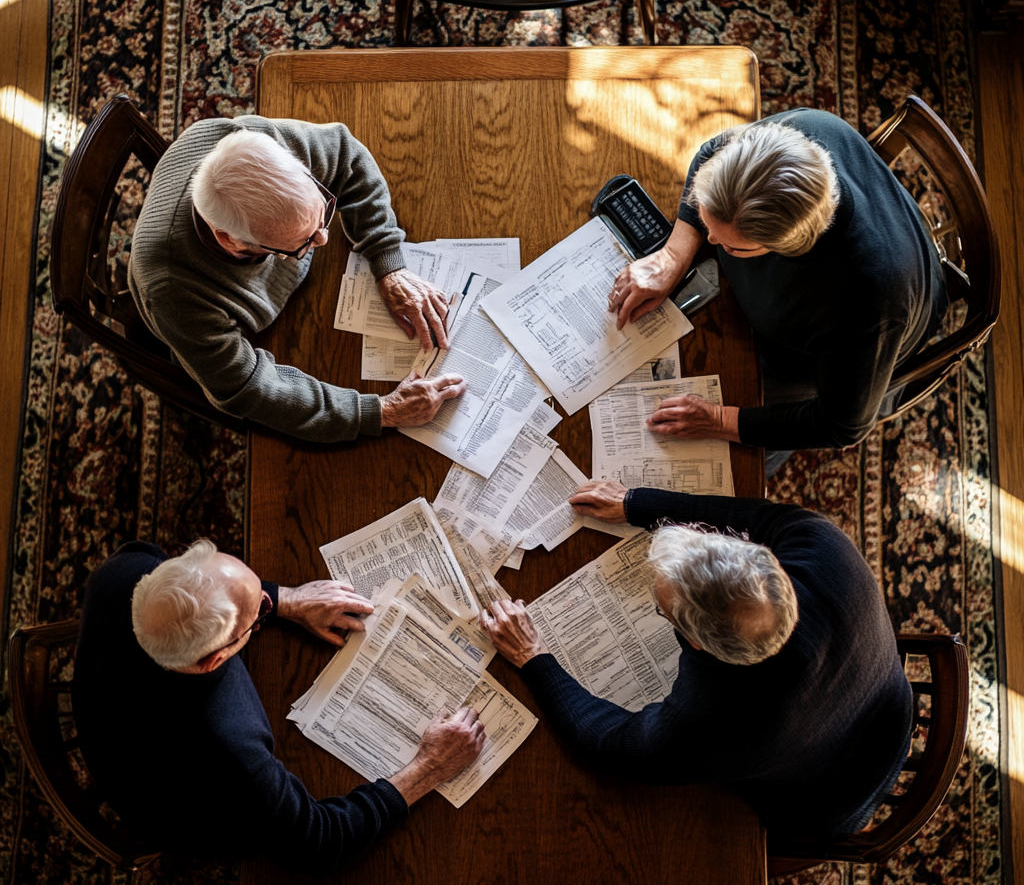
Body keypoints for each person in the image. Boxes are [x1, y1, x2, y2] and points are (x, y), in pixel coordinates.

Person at [479, 480, 913, 836]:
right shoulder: (826, 544)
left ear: (699, 644)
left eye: (661, 608)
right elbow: (760, 516)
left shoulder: (718, 722)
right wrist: (638, 504)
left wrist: (532, 656)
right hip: (888, 707)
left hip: (824, 801)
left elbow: (610, 745)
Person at [71, 540, 484, 876]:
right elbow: (319, 845)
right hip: (183, 808)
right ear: (215, 658)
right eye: (261, 613)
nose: (268, 603)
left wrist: (285, 599)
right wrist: (430, 767)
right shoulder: (228, 746)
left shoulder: (120, 574)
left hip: (108, 713)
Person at [608, 110, 948, 476]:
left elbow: (843, 426)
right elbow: (710, 153)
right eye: (708, 224)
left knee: (736, 467)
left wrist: (719, 420)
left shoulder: (865, 300)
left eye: (733, 247)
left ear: (789, 245)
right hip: (871, 266)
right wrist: (674, 254)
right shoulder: (811, 128)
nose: (711, 241)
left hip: (845, 350)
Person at [128, 117, 466, 441]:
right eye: (303, 242)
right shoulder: (173, 291)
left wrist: (388, 261)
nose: (323, 239)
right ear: (232, 241)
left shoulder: (255, 143)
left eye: (323, 211)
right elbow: (245, 388)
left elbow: (346, 155)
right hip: (235, 335)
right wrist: (381, 411)